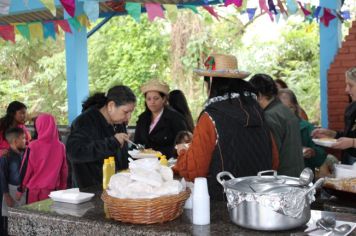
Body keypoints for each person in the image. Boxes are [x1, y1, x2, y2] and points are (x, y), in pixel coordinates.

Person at [174, 54, 273, 200]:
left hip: (223, 201)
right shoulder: (258, 111)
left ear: (211, 83)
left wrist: (183, 153)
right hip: (260, 199)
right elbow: (274, 159)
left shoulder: (210, 117)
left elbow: (194, 170)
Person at [66, 85, 136, 188]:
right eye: (126, 112)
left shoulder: (118, 123)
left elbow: (120, 156)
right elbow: (75, 153)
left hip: (115, 188)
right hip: (90, 190)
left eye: (131, 112)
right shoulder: (85, 122)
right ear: (111, 106)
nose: (128, 117)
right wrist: (112, 142)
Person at [250, 73, 304, 177]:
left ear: (259, 95)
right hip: (296, 175)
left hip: (282, 179)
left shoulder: (269, 116)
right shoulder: (284, 110)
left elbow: (271, 156)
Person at [16, 114, 67, 203]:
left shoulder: (33, 146)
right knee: (49, 216)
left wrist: (21, 189)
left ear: (39, 126)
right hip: (53, 192)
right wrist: (62, 188)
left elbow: (26, 169)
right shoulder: (61, 147)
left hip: (34, 191)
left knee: (33, 215)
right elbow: (64, 170)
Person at [312, 67, 356, 165]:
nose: (346, 90)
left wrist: (352, 142)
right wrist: (330, 134)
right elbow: (348, 135)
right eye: (346, 85)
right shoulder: (352, 107)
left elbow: (350, 140)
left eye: (350, 85)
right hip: (349, 160)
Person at [134, 79, 187, 158]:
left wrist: (159, 153)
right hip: (144, 162)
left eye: (156, 98)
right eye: (149, 99)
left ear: (163, 99)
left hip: (167, 162)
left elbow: (182, 144)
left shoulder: (175, 118)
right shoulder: (142, 118)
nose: (152, 102)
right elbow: (137, 142)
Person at [278, 89, 327, 172]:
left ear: (296, 107)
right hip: (279, 176)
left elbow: (321, 156)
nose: (286, 113)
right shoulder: (272, 127)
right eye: (282, 109)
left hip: (303, 176)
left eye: (290, 108)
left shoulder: (307, 128)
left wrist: (313, 153)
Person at [0, 128, 27, 236]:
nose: (26, 140)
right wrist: (6, 195)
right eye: (23, 138)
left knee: (21, 219)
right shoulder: (5, 157)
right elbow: (2, 176)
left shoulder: (25, 154)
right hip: (10, 191)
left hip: (23, 191)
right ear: (15, 141)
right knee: (9, 220)